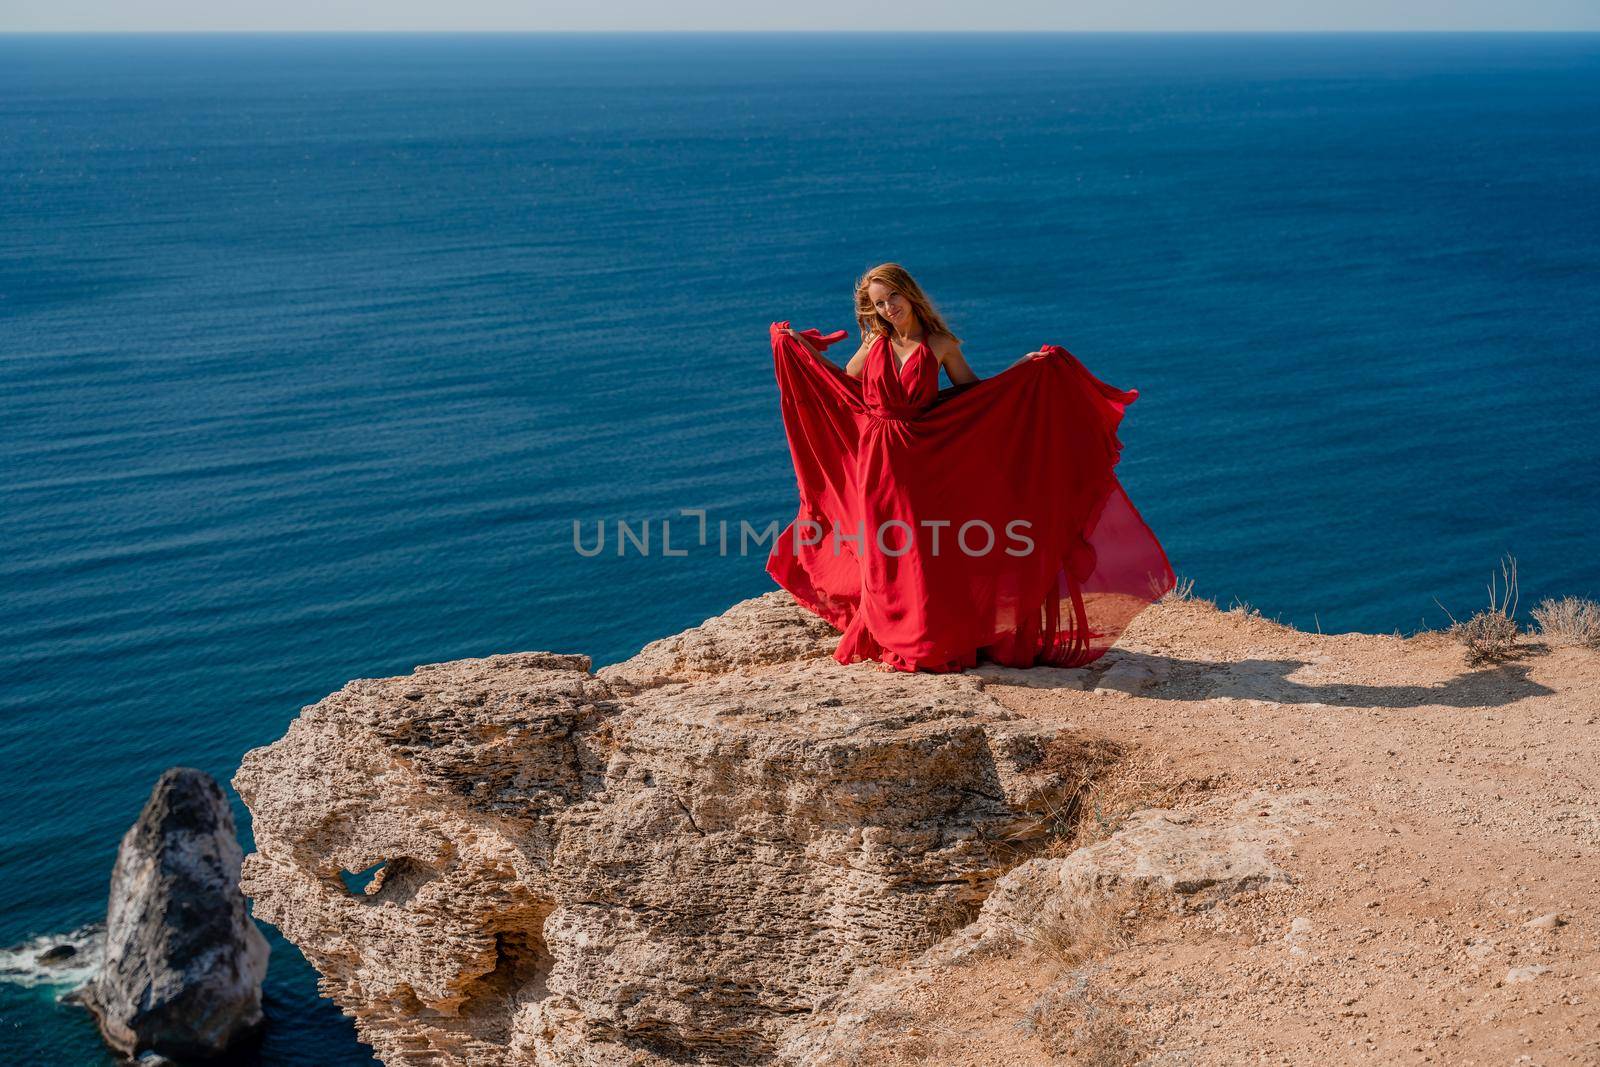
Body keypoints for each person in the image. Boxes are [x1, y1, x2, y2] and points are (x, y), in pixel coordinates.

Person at [767, 262, 1175, 674]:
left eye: (893, 296)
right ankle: (886, 632)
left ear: (908, 294)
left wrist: (1021, 371)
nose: (888, 307)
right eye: (879, 302)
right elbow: (843, 383)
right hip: (877, 460)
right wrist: (795, 346)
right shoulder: (874, 342)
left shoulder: (940, 343)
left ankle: (929, 637)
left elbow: (975, 393)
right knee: (884, 550)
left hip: (923, 460)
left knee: (921, 552)